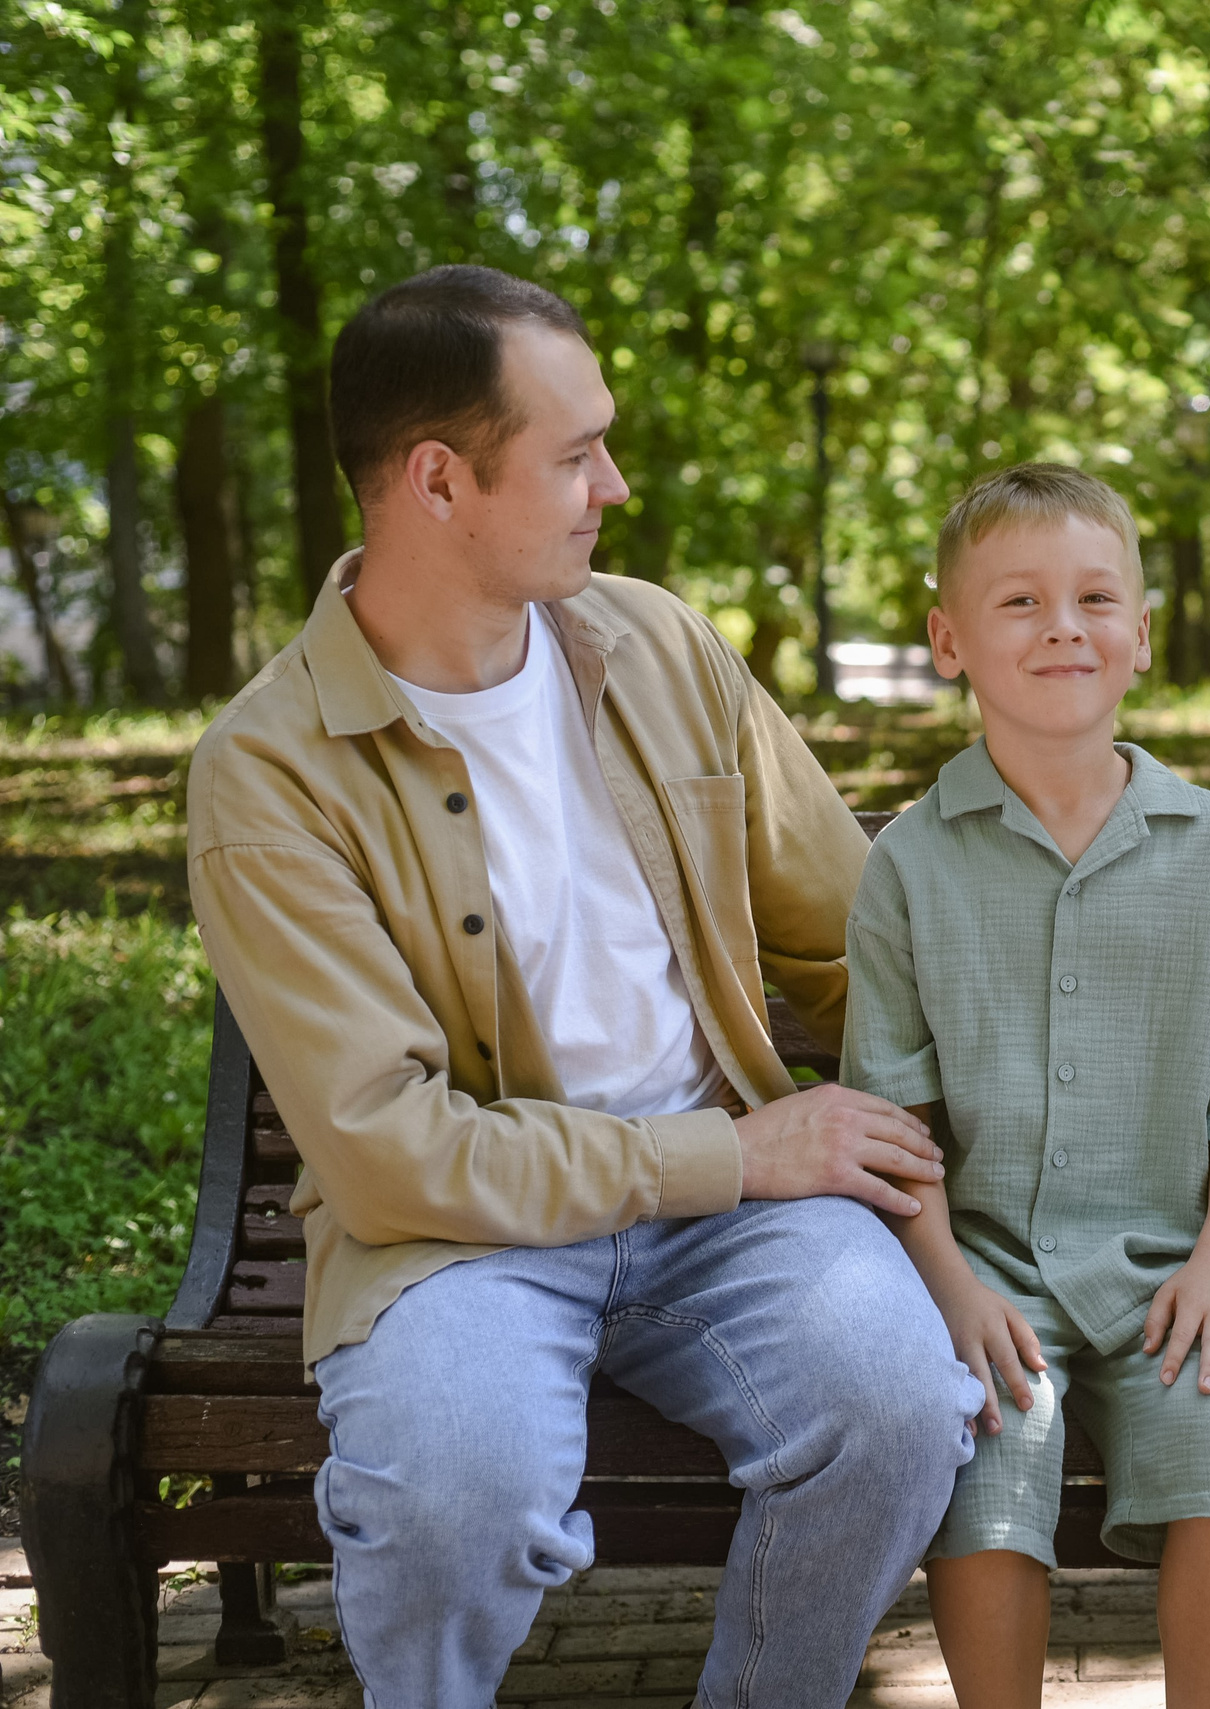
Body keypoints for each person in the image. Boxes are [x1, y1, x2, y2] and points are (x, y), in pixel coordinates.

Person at [185, 265, 981, 1704]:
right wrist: (733, 1150)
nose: (611, 484)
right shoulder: (270, 774)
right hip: (455, 1239)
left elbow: (862, 950)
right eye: (572, 454)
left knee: (904, 1404)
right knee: (452, 1493)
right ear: (439, 480)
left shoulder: (660, 646)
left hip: (737, 1216)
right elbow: (388, 1150)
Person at [842, 462, 1210, 1709]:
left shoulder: (1208, 846)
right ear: (949, 640)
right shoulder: (906, 863)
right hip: (985, 1260)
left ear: (1142, 634)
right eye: (1018, 602)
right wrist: (946, 1282)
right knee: (987, 1460)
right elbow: (890, 1116)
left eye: (1097, 596)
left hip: (1175, 1262)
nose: (1063, 625)